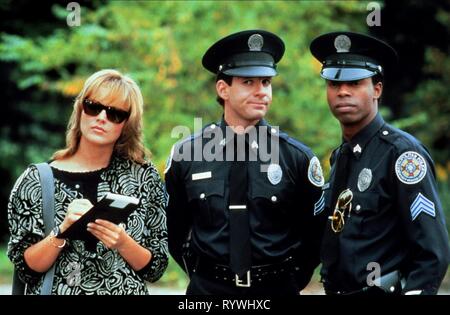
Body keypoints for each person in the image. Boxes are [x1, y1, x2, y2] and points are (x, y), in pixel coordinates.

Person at [165, 29, 326, 295]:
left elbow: (316, 236)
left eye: (266, 82)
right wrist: (204, 276)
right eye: (248, 82)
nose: (261, 91)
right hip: (208, 292)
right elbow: (173, 230)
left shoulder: (295, 157)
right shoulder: (188, 154)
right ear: (223, 88)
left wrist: (288, 282)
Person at [310, 31, 450, 295]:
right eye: (334, 85)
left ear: (377, 89)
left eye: (355, 84)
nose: (342, 92)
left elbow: (433, 254)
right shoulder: (341, 156)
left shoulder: (402, 155)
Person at [7, 69, 169, 294]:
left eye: (114, 113)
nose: (101, 117)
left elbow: (156, 268)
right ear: (80, 110)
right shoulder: (37, 180)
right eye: (93, 107)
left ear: (126, 123)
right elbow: (25, 268)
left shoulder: (143, 176)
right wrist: (62, 231)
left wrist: (123, 242)